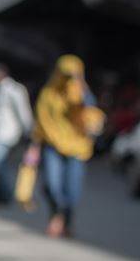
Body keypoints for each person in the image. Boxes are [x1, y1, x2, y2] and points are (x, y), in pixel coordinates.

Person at [27, 54, 104, 238]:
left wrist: (81, 86)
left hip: (76, 147)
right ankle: (56, 215)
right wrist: (34, 145)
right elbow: (41, 120)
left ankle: (66, 220)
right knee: (51, 185)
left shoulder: (81, 93)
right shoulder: (48, 93)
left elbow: (91, 110)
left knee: (73, 190)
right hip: (51, 144)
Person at [0, 63, 33, 201]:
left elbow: (23, 112)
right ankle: (2, 192)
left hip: (8, 134)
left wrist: (30, 132)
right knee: (0, 163)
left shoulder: (14, 90)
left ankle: (6, 193)